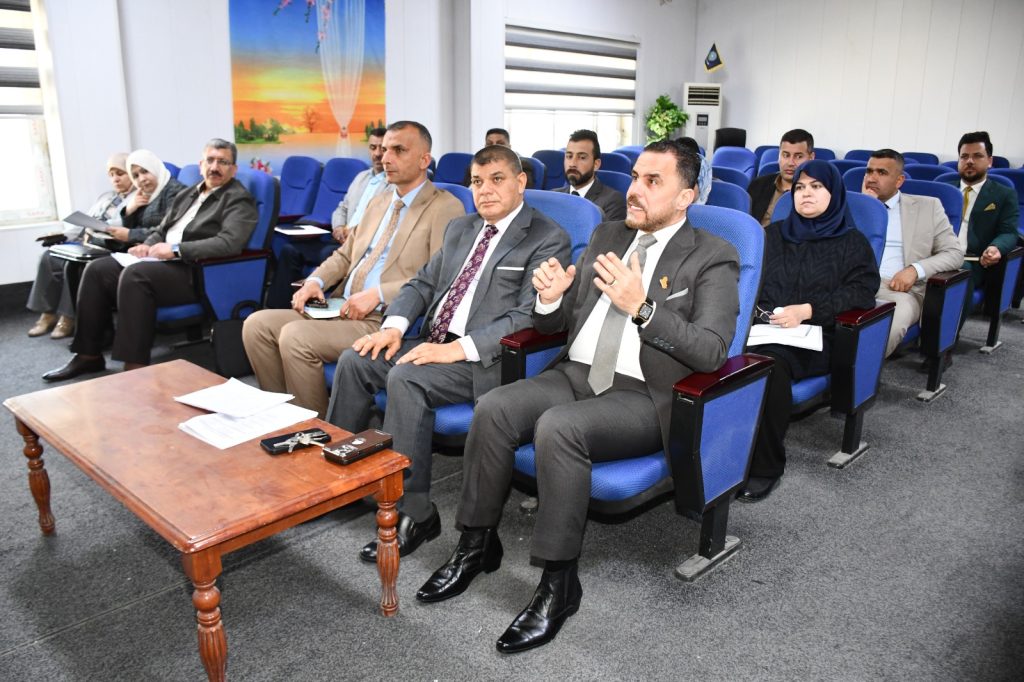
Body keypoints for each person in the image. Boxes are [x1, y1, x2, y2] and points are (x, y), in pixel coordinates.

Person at [415, 141, 740, 653]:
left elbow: (712, 350)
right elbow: (562, 323)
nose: (634, 189)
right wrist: (549, 301)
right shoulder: (609, 235)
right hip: (576, 373)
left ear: (686, 197)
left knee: (559, 427)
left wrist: (643, 308)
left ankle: (558, 582)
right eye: (635, 177)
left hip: (643, 394)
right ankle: (476, 544)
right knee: (494, 408)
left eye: (653, 181)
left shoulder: (713, 255)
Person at [327, 144, 571, 563]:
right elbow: (422, 284)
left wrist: (457, 349)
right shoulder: (462, 228)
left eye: (496, 179)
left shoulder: (547, 237)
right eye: (476, 181)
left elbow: (525, 316)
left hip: (486, 360)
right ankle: (342, 485)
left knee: (407, 378)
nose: (485, 190)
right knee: (356, 360)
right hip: (434, 342)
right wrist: (393, 327)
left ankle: (414, 511)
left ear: (520, 182)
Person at [243, 121, 465, 417]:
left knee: (295, 337)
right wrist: (315, 281)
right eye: (384, 149)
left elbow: (441, 278)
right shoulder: (379, 201)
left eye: (398, 150)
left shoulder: (445, 207)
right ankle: (283, 418)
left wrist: (379, 294)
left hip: (383, 318)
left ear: (425, 160)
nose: (386, 158)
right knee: (256, 325)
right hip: (339, 307)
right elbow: (345, 255)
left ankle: (316, 431)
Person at [42, 138, 259, 382]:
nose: (215, 167)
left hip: (196, 270)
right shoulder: (188, 194)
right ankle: (88, 355)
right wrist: (147, 245)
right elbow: (161, 229)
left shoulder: (238, 199)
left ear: (233, 169)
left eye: (223, 162)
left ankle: (134, 365)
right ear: (201, 165)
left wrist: (176, 249)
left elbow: (229, 243)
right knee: (97, 269)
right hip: (163, 263)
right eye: (210, 160)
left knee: (136, 276)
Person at [737, 160, 879, 502]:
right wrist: (760, 312)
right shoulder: (772, 234)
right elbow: (748, 281)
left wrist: (808, 311)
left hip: (818, 335)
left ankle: (765, 467)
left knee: (767, 367)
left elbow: (862, 293)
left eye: (816, 187)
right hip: (764, 328)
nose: (806, 194)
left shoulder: (852, 242)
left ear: (834, 193)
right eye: (800, 187)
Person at [265, 128, 391, 309]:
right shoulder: (361, 177)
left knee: (327, 254)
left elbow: (383, 221)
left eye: (382, 148)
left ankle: (323, 309)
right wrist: (338, 226)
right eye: (373, 147)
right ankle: (278, 309)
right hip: (339, 239)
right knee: (290, 250)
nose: (377, 154)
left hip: (360, 245)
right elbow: (342, 207)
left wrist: (353, 233)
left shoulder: (393, 184)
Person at [861, 149, 963, 358]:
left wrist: (915, 270)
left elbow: (954, 253)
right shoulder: (851, 205)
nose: (872, 178)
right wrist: (865, 207)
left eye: (881, 172)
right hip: (848, 284)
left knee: (887, 326)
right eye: (869, 171)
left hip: (897, 290)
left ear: (899, 181)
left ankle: (855, 373)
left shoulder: (928, 207)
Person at [26, 153, 134, 339]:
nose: (115, 179)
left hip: (108, 245)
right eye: (111, 175)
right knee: (49, 256)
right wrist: (64, 235)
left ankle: (68, 317)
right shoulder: (106, 197)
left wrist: (101, 227)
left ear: (131, 173)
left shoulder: (137, 198)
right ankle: (48, 313)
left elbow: (124, 225)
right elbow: (85, 221)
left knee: (72, 265)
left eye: (120, 173)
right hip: (87, 241)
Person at [948, 131, 1020, 333]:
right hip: (936, 254)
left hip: (972, 260)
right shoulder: (944, 190)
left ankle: (945, 340)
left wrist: (996, 247)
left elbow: (1009, 232)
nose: (969, 161)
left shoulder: (1003, 194)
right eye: (964, 156)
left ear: (989, 161)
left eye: (977, 156)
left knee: (957, 274)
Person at [552, 129, 626, 220]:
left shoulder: (612, 201)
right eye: (569, 156)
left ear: (596, 164)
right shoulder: (553, 196)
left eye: (582, 157)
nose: (572, 164)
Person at [747, 129, 815, 226]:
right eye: (785, 155)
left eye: (798, 157)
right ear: (779, 155)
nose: (790, 163)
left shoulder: (817, 193)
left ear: (811, 158)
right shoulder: (758, 184)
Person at [462, 128, 536, 188]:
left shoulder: (522, 166)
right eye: (489, 144)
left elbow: (524, 193)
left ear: (509, 147)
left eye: (500, 143)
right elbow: (463, 192)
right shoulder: (474, 167)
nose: (494, 147)